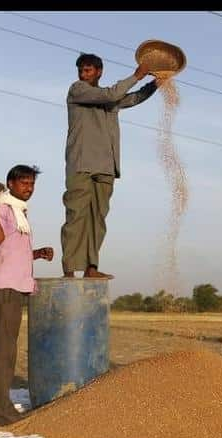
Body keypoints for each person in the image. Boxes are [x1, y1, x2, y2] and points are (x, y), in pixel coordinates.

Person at [60, 52, 161, 279]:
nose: (83, 74)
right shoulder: (77, 90)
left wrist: (154, 84)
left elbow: (132, 98)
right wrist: (137, 75)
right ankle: (69, 270)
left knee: (98, 218)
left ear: (99, 72)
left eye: (88, 70)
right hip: (81, 163)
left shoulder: (109, 98)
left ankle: (91, 267)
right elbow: (112, 93)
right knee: (76, 216)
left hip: (106, 166)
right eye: (81, 70)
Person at [0, 164, 54, 425]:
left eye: (32, 184)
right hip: (3, 288)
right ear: (10, 184)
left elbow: (10, 250)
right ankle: (3, 411)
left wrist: (36, 253)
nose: (29, 188)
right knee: (5, 351)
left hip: (10, 286)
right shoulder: (4, 208)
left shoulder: (18, 213)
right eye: (24, 183)